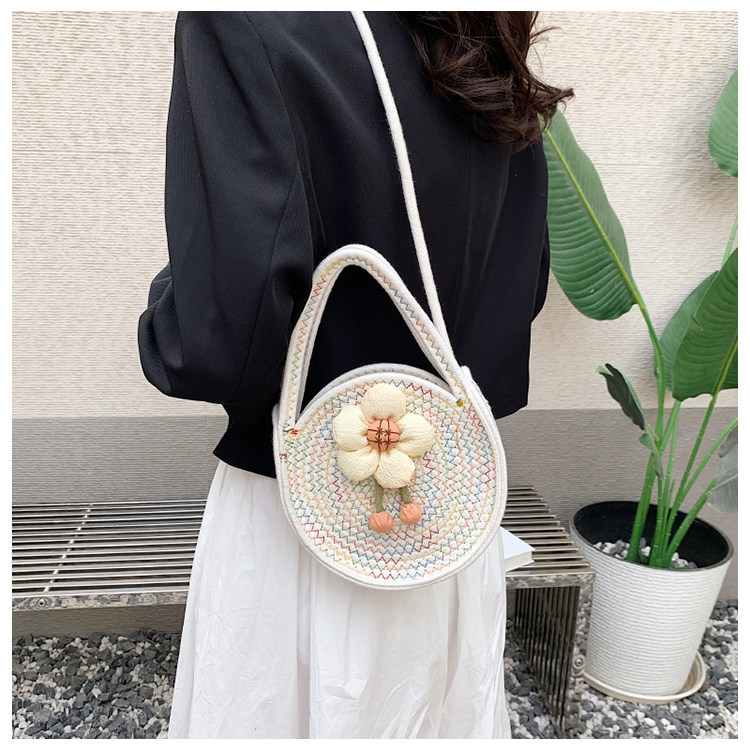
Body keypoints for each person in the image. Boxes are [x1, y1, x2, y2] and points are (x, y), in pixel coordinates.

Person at [138, 10, 572, 739]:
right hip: (447, 523)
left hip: (304, 521)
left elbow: (220, 340)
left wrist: (164, 316)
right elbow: (520, 284)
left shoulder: (246, 22)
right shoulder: (476, 25)